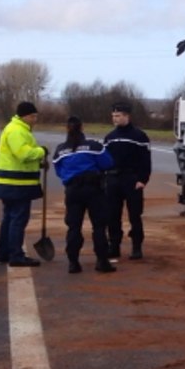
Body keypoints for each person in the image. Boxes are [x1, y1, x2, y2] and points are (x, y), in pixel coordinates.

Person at [52, 116, 116, 274]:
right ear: (82, 128)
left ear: (66, 128)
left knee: (73, 227)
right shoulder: (94, 146)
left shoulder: (60, 150)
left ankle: (73, 263)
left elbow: (59, 172)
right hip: (94, 189)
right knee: (99, 226)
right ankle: (102, 261)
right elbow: (108, 163)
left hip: (73, 190)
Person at [0, 101, 47, 268]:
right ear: (24, 116)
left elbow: (17, 159)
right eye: (33, 116)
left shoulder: (17, 129)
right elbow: (23, 154)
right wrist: (42, 151)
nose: (35, 119)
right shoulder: (17, 131)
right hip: (16, 184)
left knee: (9, 218)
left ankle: (4, 253)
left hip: (10, 183)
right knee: (18, 219)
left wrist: (39, 164)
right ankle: (16, 255)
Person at [104, 100, 151, 260]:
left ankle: (136, 247)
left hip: (131, 180)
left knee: (135, 215)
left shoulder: (139, 136)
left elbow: (146, 161)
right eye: (113, 116)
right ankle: (114, 246)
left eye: (117, 116)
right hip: (113, 180)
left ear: (126, 116)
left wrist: (142, 180)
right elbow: (104, 160)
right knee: (112, 215)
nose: (115, 119)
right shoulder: (110, 137)